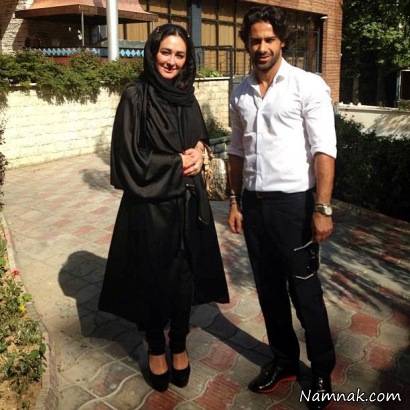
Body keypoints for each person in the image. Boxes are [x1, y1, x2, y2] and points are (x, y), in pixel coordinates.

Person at [99, 23, 229, 392]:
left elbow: (199, 136)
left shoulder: (187, 96)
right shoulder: (135, 96)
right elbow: (127, 159)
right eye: (166, 52)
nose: (171, 61)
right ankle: (156, 345)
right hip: (150, 208)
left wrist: (200, 151)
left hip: (188, 205)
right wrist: (176, 163)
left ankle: (180, 343)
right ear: (153, 52)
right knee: (153, 279)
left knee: (185, 278)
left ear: (188, 60)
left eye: (179, 55)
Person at [227, 6, 336, 409]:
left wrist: (322, 208)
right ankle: (285, 360)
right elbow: (237, 150)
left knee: (305, 291)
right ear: (247, 43)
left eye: (269, 39)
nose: (262, 47)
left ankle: (321, 369)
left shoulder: (307, 85)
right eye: (255, 40)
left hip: (294, 206)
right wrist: (235, 201)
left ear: (282, 41)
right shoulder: (240, 91)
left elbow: (324, 149)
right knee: (269, 291)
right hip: (254, 205)